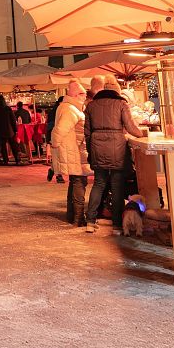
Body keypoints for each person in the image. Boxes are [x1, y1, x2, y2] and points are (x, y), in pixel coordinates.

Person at [84, 76, 144, 235]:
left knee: (98, 184)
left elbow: (87, 133)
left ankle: (90, 221)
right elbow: (131, 127)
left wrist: (91, 151)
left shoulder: (91, 106)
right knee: (117, 186)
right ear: (116, 91)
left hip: (97, 147)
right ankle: (117, 225)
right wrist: (142, 134)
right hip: (117, 148)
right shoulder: (121, 104)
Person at [51, 80, 90, 226]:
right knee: (79, 181)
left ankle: (72, 215)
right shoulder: (70, 109)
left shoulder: (72, 107)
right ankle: (78, 218)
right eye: (82, 93)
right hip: (73, 151)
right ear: (75, 94)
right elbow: (60, 130)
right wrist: (55, 144)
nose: (85, 96)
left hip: (74, 150)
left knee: (75, 182)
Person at [0, 95, 22, 165]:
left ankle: (5, 160)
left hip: (0, 130)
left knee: (3, 146)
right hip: (9, 130)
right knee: (13, 145)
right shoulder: (8, 109)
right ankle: (17, 160)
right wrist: (15, 129)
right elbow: (13, 120)